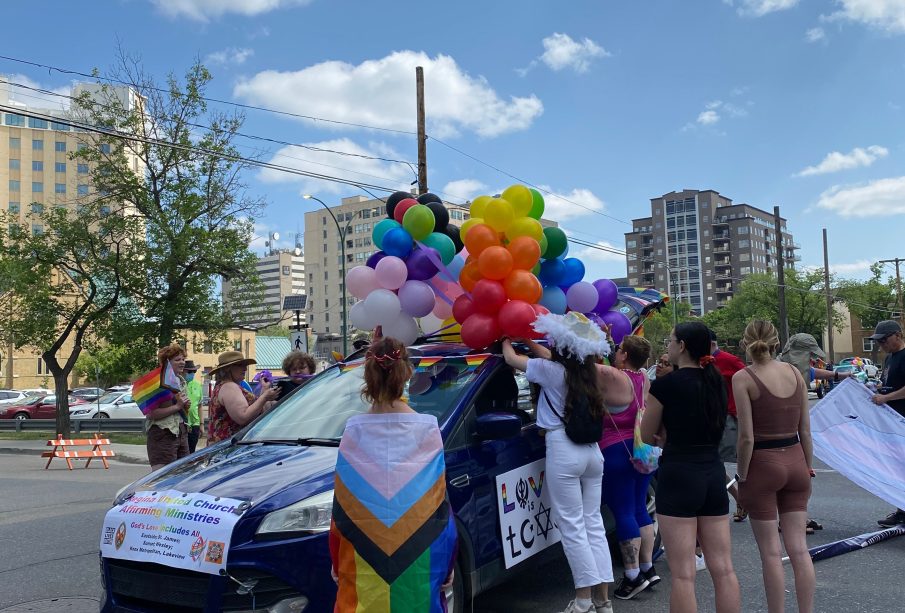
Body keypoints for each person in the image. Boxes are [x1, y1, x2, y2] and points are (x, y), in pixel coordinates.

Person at [329, 337, 456, 611]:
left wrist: (336, 559)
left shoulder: (353, 431)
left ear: (368, 376)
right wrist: (448, 563)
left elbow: (342, 511)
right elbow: (439, 509)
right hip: (420, 561)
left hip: (361, 563)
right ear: (407, 373)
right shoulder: (429, 429)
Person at [503, 312, 614, 613]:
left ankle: (582, 600)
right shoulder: (587, 371)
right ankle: (603, 601)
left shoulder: (551, 372)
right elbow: (547, 356)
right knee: (593, 525)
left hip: (563, 449)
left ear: (561, 348)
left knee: (572, 526)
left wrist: (506, 339)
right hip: (593, 453)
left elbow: (512, 359)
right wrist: (530, 341)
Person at [641, 321, 741, 613]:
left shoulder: (665, 385)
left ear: (682, 346)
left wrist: (665, 433)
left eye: (670, 342)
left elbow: (647, 436)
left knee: (683, 574)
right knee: (723, 568)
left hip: (679, 473)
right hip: (712, 473)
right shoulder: (716, 383)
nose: (667, 347)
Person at [733, 320, 815, 613]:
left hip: (763, 465)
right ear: (776, 343)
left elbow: (746, 438)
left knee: (770, 553)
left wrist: (741, 476)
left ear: (745, 344)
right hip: (795, 459)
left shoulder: (743, 378)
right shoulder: (795, 372)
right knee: (799, 549)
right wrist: (808, 466)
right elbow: (806, 430)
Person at [599, 334, 659, 600]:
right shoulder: (643, 378)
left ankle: (632, 576)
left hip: (615, 451)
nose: (615, 351)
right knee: (639, 509)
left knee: (623, 512)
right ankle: (648, 566)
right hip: (641, 450)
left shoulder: (614, 378)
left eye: (619, 348)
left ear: (624, 355)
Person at [868, 320, 905, 527]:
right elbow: (890, 383)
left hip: (902, 421)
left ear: (897, 335)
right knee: (897, 469)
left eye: (884, 340)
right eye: (878, 341)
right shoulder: (890, 358)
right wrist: (878, 387)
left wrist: (887, 398)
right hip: (893, 424)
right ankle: (902, 509)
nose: (881, 345)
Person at [709, 330, 747, 523]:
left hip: (731, 417)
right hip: (713, 418)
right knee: (715, 462)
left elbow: (748, 378)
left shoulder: (729, 360)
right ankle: (739, 497)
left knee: (741, 461)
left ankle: (744, 499)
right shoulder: (702, 361)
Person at [207, 351, 279, 443]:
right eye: (240, 365)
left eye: (245, 365)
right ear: (228, 369)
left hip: (227, 446)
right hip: (230, 447)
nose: (245, 369)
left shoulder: (224, 386)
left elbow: (254, 409)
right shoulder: (229, 387)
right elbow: (243, 417)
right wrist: (264, 397)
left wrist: (264, 391)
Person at [145, 344, 191, 471]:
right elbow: (151, 414)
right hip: (163, 432)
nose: (182, 362)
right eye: (177, 360)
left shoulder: (181, 381)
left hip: (181, 431)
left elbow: (181, 409)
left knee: (183, 473)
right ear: (167, 362)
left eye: (183, 359)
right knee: (162, 476)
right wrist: (177, 406)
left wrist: (185, 406)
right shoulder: (158, 383)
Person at [183, 360, 203, 454]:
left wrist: (201, 425)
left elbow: (200, 406)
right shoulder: (178, 384)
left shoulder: (198, 385)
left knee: (191, 453)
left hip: (195, 424)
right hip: (183, 424)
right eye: (189, 372)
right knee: (182, 454)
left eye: (194, 371)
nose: (192, 374)